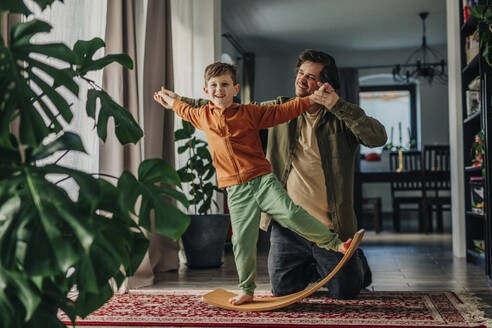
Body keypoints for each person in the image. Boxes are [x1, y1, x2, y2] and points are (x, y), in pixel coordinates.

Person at [171, 50, 388, 300]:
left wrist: (337, 105)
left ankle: (354, 262)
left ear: (325, 84)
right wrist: (178, 100)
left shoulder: (341, 118)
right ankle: (310, 267)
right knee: (283, 291)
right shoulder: (277, 109)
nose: (302, 80)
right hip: (287, 231)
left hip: (332, 225)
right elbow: (224, 108)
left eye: (311, 76)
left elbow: (377, 137)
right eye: (300, 73)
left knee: (346, 291)